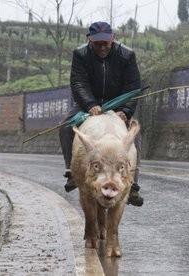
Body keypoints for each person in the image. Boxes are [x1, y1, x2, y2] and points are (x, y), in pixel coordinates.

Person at [59, 21, 143, 206]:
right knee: (66, 126)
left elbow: (133, 87)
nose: (102, 47)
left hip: (118, 104)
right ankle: (72, 171)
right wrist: (90, 104)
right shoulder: (80, 54)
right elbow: (78, 83)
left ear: (113, 39)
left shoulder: (127, 55)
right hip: (89, 103)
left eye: (106, 42)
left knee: (134, 136)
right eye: (97, 43)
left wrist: (125, 111)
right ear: (89, 40)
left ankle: (133, 184)